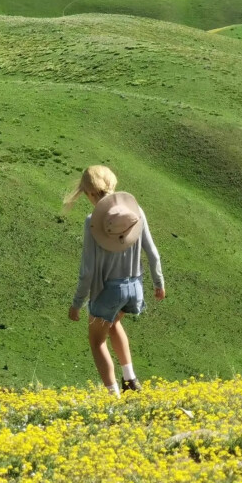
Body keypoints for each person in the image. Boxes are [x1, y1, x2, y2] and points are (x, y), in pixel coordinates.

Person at [65, 165, 165, 397]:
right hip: (135, 288)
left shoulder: (93, 222)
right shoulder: (137, 211)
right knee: (113, 324)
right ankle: (130, 379)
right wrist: (158, 283)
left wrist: (77, 302)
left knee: (97, 341)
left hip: (108, 292)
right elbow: (153, 253)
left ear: (90, 193)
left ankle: (113, 398)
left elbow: (87, 271)